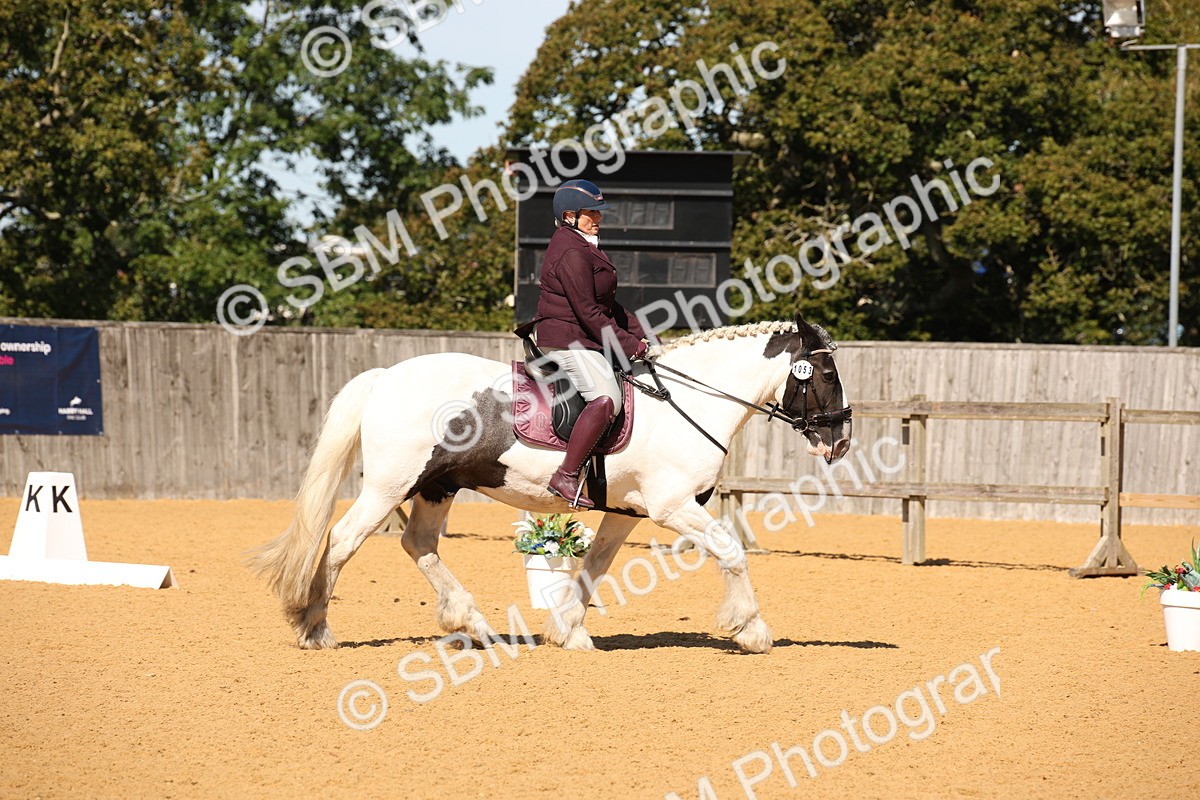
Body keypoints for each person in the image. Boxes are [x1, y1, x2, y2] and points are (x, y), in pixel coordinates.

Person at [531, 178, 652, 509]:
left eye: (599, 213)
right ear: (570, 216)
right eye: (592, 213)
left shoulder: (584, 245)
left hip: (582, 336)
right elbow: (588, 313)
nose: (599, 218)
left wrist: (646, 334)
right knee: (607, 397)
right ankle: (566, 475)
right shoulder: (571, 251)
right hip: (566, 339)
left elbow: (607, 307)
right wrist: (631, 346)